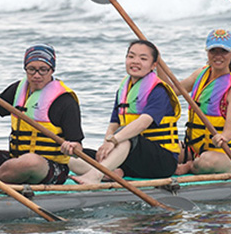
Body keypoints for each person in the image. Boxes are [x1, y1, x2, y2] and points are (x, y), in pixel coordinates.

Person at [0, 44, 84, 185]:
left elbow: (77, 146)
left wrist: (71, 148)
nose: (36, 75)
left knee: (30, 161)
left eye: (43, 70)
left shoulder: (65, 100)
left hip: (50, 168)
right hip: (15, 159)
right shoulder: (19, 89)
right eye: (31, 69)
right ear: (25, 69)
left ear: (52, 70)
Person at [71, 40, 181, 184]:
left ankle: (95, 176)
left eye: (143, 58)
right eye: (131, 56)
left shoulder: (159, 91)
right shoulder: (124, 89)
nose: (135, 62)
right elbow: (113, 124)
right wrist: (105, 148)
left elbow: (143, 123)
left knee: (127, 137)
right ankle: (110, 172)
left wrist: (113, 141)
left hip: (161, 162)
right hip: (130, 160)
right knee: (73, 154)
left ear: (154, 65)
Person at [176, 29, 231, 175]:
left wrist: (222, 138)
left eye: (224, 51)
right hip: (193, 150)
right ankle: (191, 161)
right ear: (207, 52)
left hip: (222, 157)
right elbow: (173, 90)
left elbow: (228, 132)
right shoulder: (200, 74)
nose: (218, 56)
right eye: (213, 51)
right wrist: (158, 64)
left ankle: (190, 166)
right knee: (165, 148)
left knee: (207, 161)